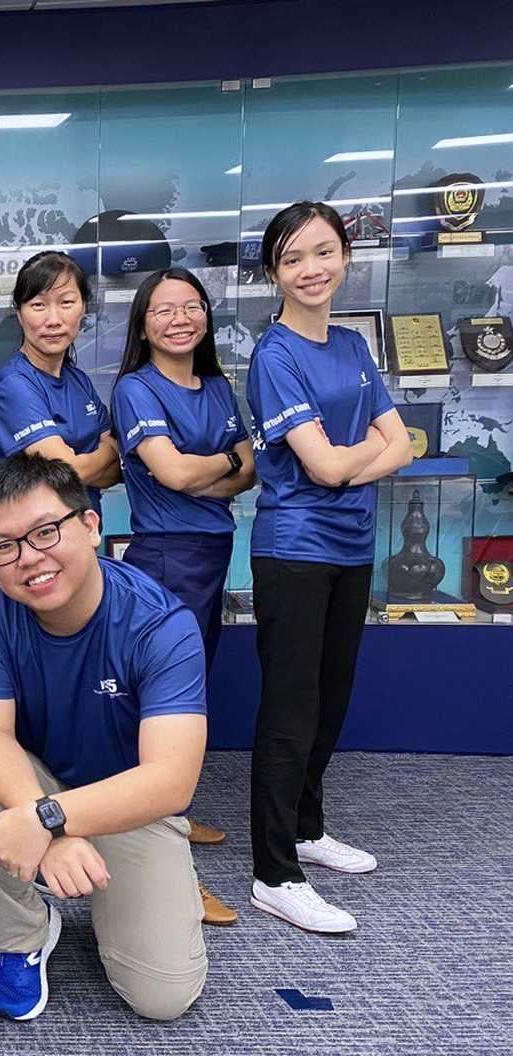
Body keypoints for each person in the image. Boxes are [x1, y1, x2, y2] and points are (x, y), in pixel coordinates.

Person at [0, 453, 209, 1023]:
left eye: (44, 532)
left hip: (129, 805)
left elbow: (171, 781)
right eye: (4, 547)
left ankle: (150, 885)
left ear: (90, 527)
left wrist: (47, 821)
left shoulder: (161, 625)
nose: (28, 559)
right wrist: (52, 826)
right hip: (35, 784)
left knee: (163, 997)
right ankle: (20, 936)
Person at [245, 201, 411, 934]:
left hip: (352, 547)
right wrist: (353, 462)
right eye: (292, 259)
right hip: (294, 551)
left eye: (322, 252)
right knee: (289, 712)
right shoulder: (275, 355)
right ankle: (274, 872)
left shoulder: (350, 345)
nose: (310, 269)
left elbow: (398, 442)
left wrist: (354, 464)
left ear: (345, 256)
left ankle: (308, 829)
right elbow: (321, 464)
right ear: (274, 272)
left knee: (331, 699)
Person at [110, 267, 257, 927]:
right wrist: (224, 462)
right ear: (144, 323)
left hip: (212, 553)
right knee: (159, 700)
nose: (179, 319)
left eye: (191, 307)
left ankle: (167, 811)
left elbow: (247, 474)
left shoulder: (220, 386)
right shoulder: (136, 388)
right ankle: (161, 854)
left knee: (185, 696)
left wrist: (217, 471)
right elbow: (173, 472)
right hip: (164, 559)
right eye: (164, 309)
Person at [0, 251, 121, 517]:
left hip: (80, 537)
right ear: (20, 315)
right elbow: (68, 473)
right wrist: (108, 452)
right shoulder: (14, 385)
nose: (54, 319)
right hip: (31, 544)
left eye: (66, 302)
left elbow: (116, 472)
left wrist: (84, 464)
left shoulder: (78, 381)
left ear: (83, 308)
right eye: (38, 305)